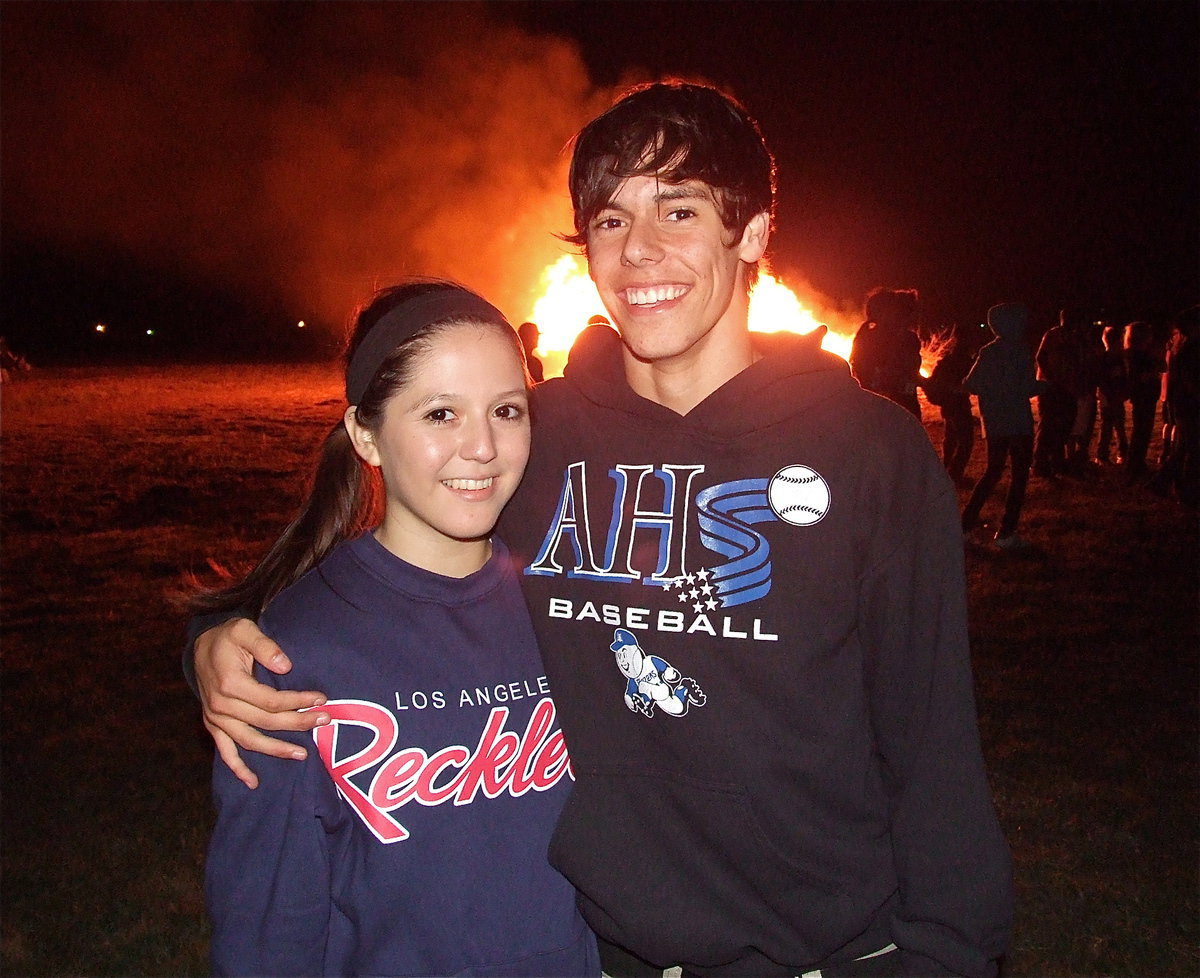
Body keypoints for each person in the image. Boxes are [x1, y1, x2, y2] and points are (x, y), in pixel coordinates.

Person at [189, 81, 1012, 977]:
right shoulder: (531, 437)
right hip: (605, 954)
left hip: (832, 951)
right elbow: (385, 581)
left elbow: (932, 738)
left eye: (679, 208)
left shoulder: (872, 454)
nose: (639, 251)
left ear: (754, 236)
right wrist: (217, 646)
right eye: (610, 221)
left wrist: (948, 951)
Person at [198, 281, 599, 977]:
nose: (482, 446)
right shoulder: (299, 647)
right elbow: (268, 916)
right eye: (441, 413)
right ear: (365, 434)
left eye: (507, 410)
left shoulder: (565, 603)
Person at [959, 303, 1046, 550]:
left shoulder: (988, 352)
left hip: (995, 423)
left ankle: (965, 525)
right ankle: (1007, 533)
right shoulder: (1020, 351)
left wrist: (993, 391)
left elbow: (970, 384)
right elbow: (1027, 387)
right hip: (1018, 423)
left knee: (992, 472)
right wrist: (1048, 386)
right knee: (1019, 476)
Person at [921, 322, 984, 488]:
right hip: (957, 404)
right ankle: (954, 475)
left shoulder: (948, 360)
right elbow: (970, 383)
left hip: (948, 405)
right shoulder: (962, 360)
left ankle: (946, 472)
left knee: (951, 439)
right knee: (965, 441)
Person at [849, 287, 923, 417]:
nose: (912, 317)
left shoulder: (866, 337)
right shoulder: (905, 339)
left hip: (881, 405)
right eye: (907, 311)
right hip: (895, 407)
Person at [1032, 308, 1082, 478]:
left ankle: (1057, 462)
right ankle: (1040, 463)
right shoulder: (1052, 335)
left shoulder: (1073, 338)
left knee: (1064, 425)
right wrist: (1051, 378)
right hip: (1051, 388)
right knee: (1048, 426)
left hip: (1067, 387)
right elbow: (1040, 357)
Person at [1122, 320, 1163, 482]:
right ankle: (1134, 464)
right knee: (1142, 430)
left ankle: (1137, 462)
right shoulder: (1138, 355)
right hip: (1143, 395)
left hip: (1145, 395)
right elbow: (1140, 376)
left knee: (1143, 430)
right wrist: (1151, 373)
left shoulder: (1139, 353)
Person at [1095, 323, 1129, 465]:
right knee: (1108, 427)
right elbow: (1102, 380)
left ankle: (1120, 453)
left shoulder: (1117, 358)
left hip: (1115, 396)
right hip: (1108, 397)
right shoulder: (1106, 359)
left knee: (1117, 426)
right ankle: (1103, 455)